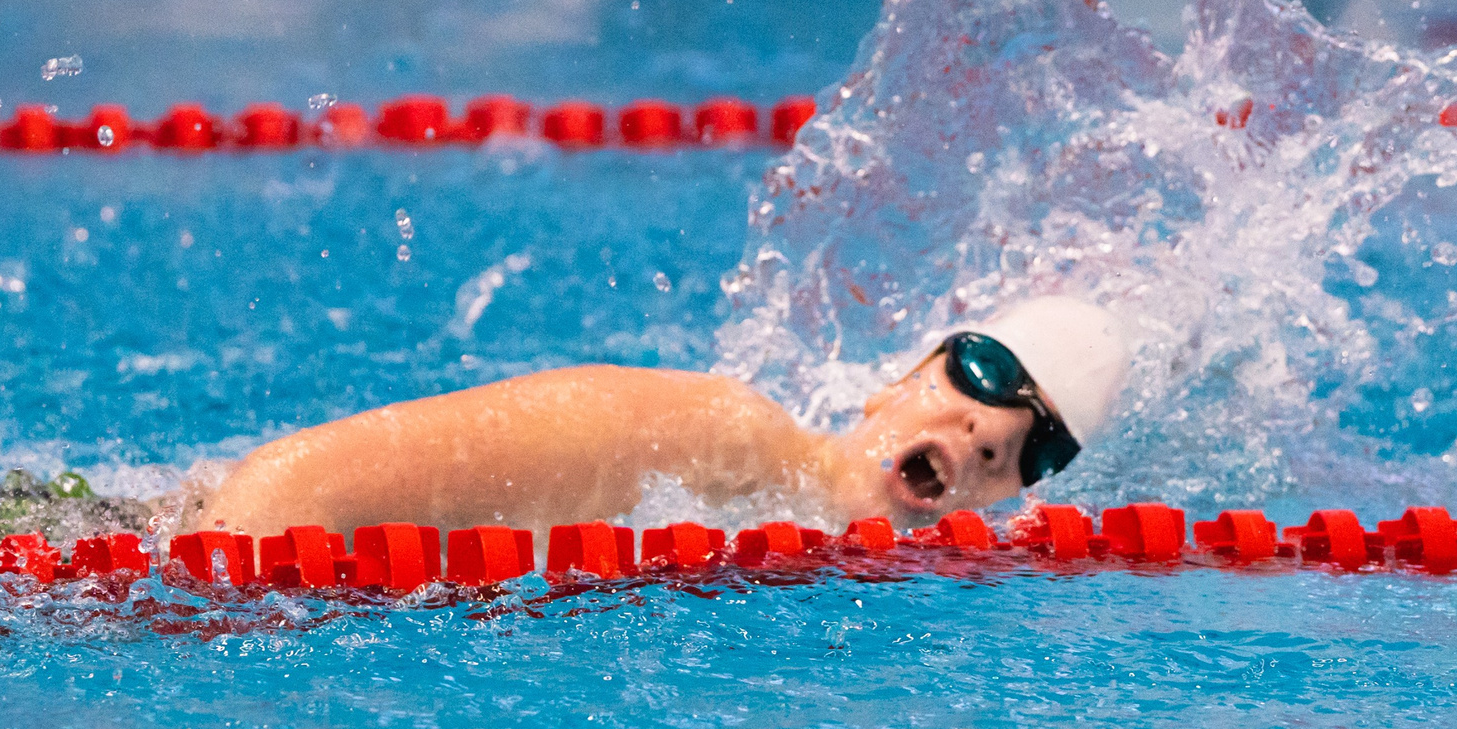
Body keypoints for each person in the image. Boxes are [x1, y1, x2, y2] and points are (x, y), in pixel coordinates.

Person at [201, 296, 1132, 535]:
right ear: (896, 378)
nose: (997, 428)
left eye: (1041, 446)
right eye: (987, 370)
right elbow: (287, 489)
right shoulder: (728, 439)